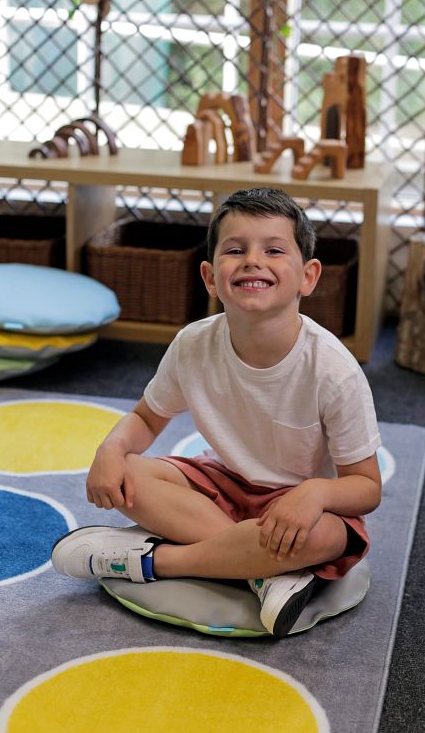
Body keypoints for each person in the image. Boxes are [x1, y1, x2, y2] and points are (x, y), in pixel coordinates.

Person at [52, 187, 382, 637]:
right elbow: (146, 419)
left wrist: (316, 495)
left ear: (308, 276)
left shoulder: (334, 370)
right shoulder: (192, 344)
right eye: (235, 250)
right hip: (223, 488)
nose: (252, 261)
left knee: (329, 537)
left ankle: (155, 562)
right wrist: (109, 450)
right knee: (130, 472)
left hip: (300, 508)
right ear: (210, 277)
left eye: (273, 250)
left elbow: (366, 487)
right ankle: (261, 572)